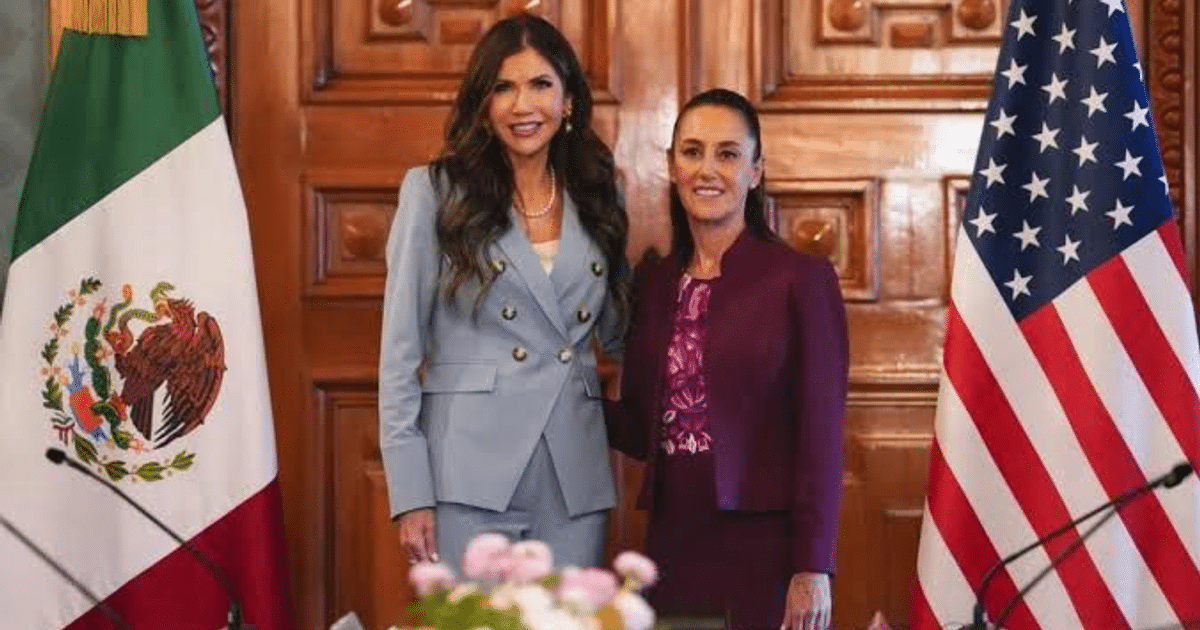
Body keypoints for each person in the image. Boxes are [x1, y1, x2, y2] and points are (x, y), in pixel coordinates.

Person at [378, 13, 628, 573]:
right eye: (504, 87)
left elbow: (617, 331)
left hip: (572, 476)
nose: (523, 105)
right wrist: (411, 491)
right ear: (484, 105)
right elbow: (399, 355)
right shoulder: (435, 192)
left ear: (568, 101)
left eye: (540, 85)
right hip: (468, 472)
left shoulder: (598, 194)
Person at [605, 88, 848, 630]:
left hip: (765, 550)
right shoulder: (655, 282)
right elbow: (642, 424)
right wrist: (557, 385)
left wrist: (812, 567)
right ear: (671, 167)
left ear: (756, 171)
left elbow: (821, 437)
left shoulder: (800, 281)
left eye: (728, 154)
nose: (707, 169)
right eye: (691, 152)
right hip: (673, 541)